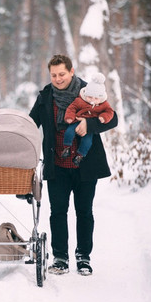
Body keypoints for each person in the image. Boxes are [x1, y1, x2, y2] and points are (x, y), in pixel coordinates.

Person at [29, 54, 117, 276]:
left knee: (84, 212)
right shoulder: (46, 96)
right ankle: (60, 257)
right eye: (53, 75)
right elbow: (30, 123)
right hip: (57, 164)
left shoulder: (90, 91)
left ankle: (83, 257)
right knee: (58, 212)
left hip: (86, 165)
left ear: (71, 71)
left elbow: (112, 118)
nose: (58, 79)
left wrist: (90, 124)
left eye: (62, 74)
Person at [62, 72, 115, 166]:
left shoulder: (103, 104)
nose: (92, 100)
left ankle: (80, 156)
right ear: (86, 94)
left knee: (87, 141)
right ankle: (66, 147)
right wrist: (69, 117)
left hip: (90, 128)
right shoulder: (80, 100)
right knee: (69, 132)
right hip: (77, 121)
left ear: (101, 97)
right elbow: (72, 108)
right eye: (90, 97)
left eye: (96, 98)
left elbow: (109, 112)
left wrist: (103, 118)